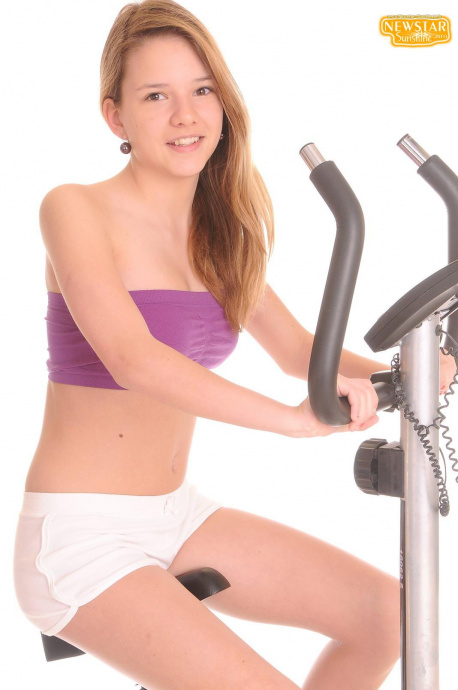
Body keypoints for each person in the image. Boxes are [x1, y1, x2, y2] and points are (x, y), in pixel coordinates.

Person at [12, 1, 456, 688]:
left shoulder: (219, 238)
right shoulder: (74, 208)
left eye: (201, 90)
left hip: (177, 516)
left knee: (388, 615)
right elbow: (134, 358)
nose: (184, 116)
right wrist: (290, 421)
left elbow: (299, 350)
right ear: (115, 117)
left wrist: (423, 373)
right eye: (156, 96)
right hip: (82, 539)